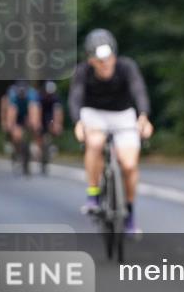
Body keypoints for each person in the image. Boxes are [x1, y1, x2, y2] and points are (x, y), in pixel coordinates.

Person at [69, 29, 153, 235]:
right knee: (95, 143)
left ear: (114, 56)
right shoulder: (82, 72)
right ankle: (93, 194)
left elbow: (138, 90)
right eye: (99, 61)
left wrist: (143, 116)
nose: (105, 64)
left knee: (129, 165)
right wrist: (78, 122)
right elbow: (76, 97)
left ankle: (129, 214)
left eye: (108, 59)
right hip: (94, 114)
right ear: (90, 60)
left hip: (123, 114)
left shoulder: (127, 67)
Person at [1, 80, 40, 174]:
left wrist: (34, 124)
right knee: (16, 134)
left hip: (27, 113)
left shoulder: (32, 94)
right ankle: (16, 151)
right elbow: (11, 112)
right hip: (16, 114)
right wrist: (9, 125)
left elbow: (34, 110)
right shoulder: (12, 95)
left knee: (35, 126)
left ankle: (34, 146)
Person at [35, 80, 64, 173]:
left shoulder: (55, 98)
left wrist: (58, 124)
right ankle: (39, 149)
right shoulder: (40, 97)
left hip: (50, 116)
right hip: (41, 115)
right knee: (39, 132)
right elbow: (37, 111)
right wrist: (37, 123)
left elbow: (58, 112)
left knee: (52, 125)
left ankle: (51, 144)